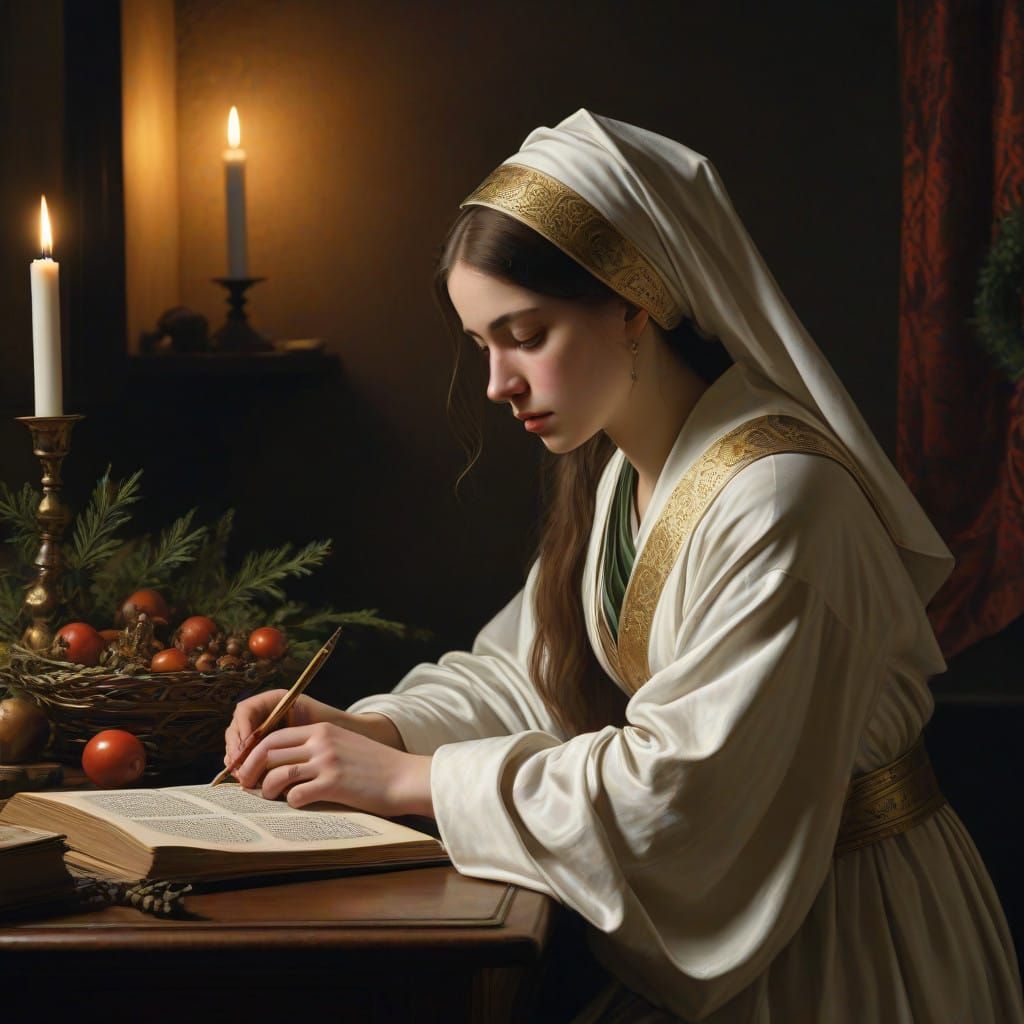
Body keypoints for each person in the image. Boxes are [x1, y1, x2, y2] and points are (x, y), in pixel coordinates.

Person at [224, 110, 1023, 1022]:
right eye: (483, 345)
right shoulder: (623, 477)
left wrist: (417, 783)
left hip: (842, 934)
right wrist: (384, 732)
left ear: (634, 303)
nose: (498, 383)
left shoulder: (780, 500)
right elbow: (528, 678)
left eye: (526, 335)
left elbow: (686, 791)